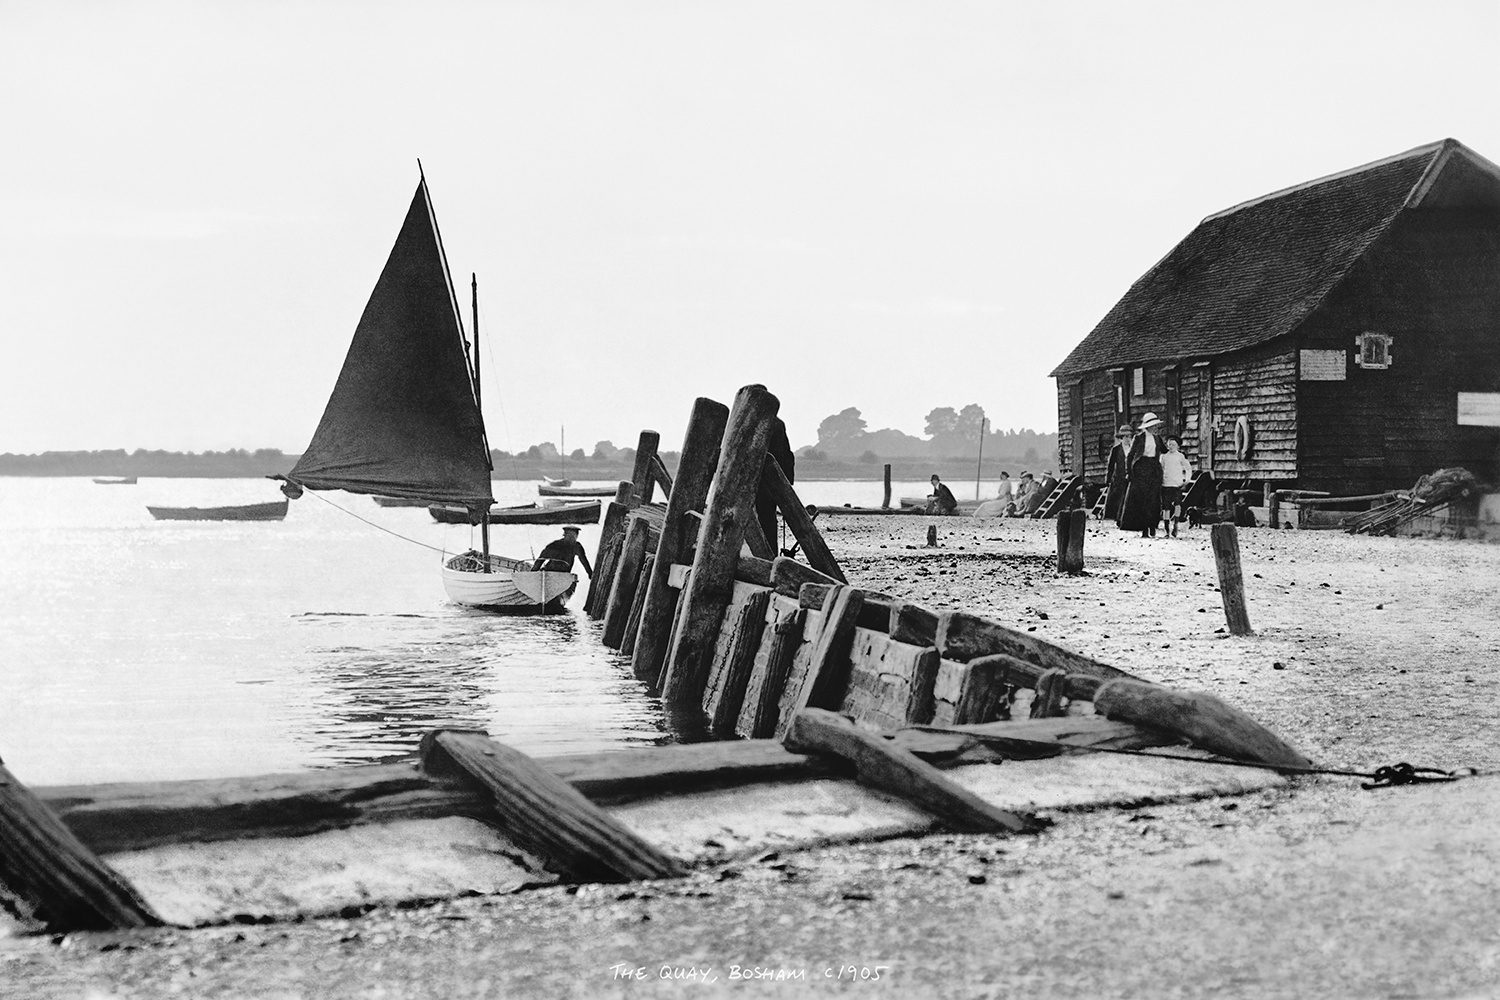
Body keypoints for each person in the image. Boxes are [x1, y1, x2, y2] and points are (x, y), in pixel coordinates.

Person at [1119, 413, 1164, 537]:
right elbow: (1130, 456)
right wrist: (1129, 472)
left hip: (1154, 469)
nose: (1155, 428)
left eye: (1156, 426)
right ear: (1147, 427)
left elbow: (1165, 450)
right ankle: (1144, 529)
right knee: (1142, 500)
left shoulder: (1157, 438)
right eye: (1153, 426)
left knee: (1153, 500)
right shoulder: (1139, 438)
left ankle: (1153, 527)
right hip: (1141, 469)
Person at [755, 416, 795, 555]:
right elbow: (787, 456)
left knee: (761, 518)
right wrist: (787, 483)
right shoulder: (777, 424)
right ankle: (771, 553)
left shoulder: (753, 421)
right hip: (772, 480)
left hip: (757, 479)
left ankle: (765, 553)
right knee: (768, 519)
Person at [1158, 436, 1193, 537]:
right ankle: (1166, 528)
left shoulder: (1180, 456)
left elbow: (1188, 468)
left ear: (1178, 446)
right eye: (1169, 444)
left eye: (1173, 444)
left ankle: (1176, 524)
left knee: (1177, 505)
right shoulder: (1164, 456)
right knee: (1166, 507)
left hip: (1177, 484)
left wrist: (1186, 480)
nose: (1171, 446)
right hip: (1166, 484)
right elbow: (1161, 469)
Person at [1104, 424, 1132, 522]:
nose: (1128, 439)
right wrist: (1108, 479)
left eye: (1130, 437)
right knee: (1119, 498)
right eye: (1126, 437)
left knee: (1128, 498)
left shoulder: (1133, 449)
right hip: (1119, 477)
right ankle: (1118, 518)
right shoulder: (1116, 450)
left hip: (1131, 477)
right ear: (1121, 438)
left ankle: (1127, 518)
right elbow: (1111, 465)